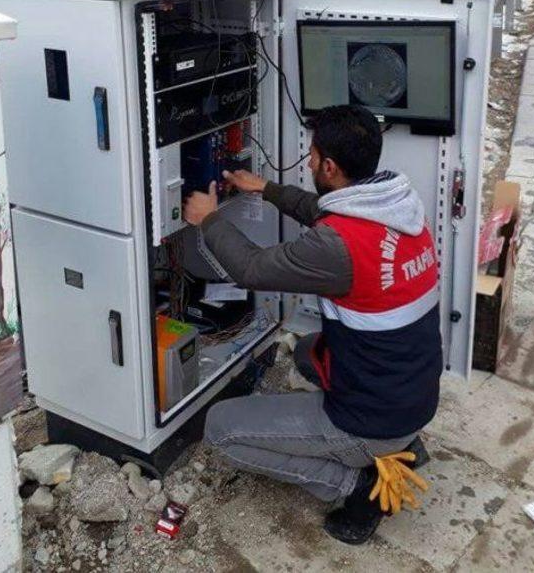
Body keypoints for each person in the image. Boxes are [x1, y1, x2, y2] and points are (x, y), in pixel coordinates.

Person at [183, 105, 442, 544]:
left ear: (329, 166)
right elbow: (325, 210)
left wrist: (208, 218)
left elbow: (251, 268)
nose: (307, 161)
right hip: (412, 394)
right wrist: (265, 188)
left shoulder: (336, 246)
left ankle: (358, 487)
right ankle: (404, 444)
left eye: (312, 154)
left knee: (220, 429)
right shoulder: (398, 206)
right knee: (306, 354)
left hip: (371, 418)